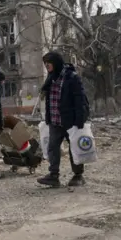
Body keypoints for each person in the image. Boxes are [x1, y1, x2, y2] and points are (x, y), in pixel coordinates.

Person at [37, 51, 89, 188]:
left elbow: (79, 99)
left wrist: (80, 120)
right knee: (52, 148)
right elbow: (49, 100)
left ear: (56, 63)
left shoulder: (71, 78)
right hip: (55, 121)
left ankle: (78, 175)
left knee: (74, 148)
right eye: (45, 64)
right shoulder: (51, 78)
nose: (47, 66)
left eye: (49, 64)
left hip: (70, 121)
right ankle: (53, 175)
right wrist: (48, 118)